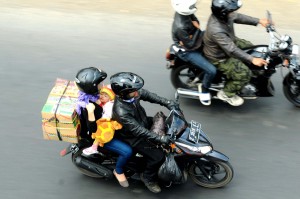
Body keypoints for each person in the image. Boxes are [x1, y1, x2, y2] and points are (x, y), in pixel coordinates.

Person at [110, 72, 176, 193]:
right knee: (158, 157)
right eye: (134, 91)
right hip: (133, 137)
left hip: (143, 122)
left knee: (167, 123)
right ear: (124, 94)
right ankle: (148, 177)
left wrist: (167, 102)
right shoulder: (121, 111)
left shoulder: (132, 95)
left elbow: (147, 95)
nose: (137, 92)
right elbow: (138, 131)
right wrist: (160, 139)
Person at [203, 0, 269, 106]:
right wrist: (252, 59)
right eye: (230, 11)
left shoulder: (223, 15)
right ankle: (226, 94)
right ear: (223, 13)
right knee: (244, 73)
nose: (232, 13)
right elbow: (232, 50)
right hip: (220, 57)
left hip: (228, 43)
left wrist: (259, 21)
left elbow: (238, 17)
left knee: (254, 48)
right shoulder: (216, 30)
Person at [75, 67, 132, 188]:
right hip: (101, 135)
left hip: (110, 124)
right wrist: (90, 114)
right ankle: (119, 170)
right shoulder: (89, 106)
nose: (102, 84)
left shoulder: (97, 95)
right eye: (100, 83)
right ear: (93, 87)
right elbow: (93, 130)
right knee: (127, 152)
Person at [171, 0, 217, 106]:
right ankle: (205, 90)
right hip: (188, 51)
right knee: (212, 70)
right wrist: (197, 29)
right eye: (192, 5)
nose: (194, 6)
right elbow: (190, 45)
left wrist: (195, 28)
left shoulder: (185, 12)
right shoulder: (180, 27)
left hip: (194, 40)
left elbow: (195, 20)